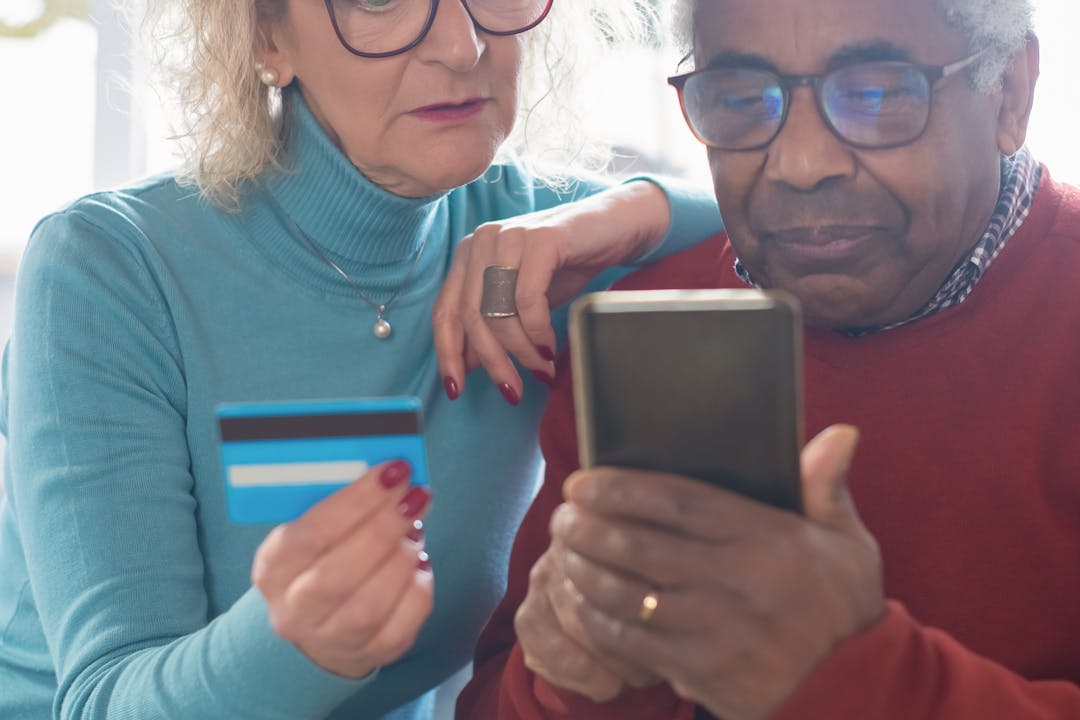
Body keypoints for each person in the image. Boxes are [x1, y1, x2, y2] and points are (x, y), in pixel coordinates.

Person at [0, 1, 724, 718]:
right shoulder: (108, 268)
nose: (462, 44)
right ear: (265, 37)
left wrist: (630, 215)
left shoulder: (536, 250)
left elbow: (798, 227)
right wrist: (298, 647)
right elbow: (101, 700)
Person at [456, 0, 1080, 717]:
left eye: (877, 93)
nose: (801, 164)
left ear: (1011, 90)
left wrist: (853, 672)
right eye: (743, 99)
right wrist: (572, 684)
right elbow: (493, 700)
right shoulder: (656, 327)